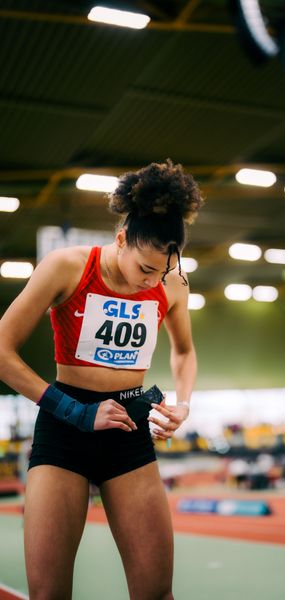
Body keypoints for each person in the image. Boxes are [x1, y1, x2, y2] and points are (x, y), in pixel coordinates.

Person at [0, 159, 204, 600]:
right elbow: (1, 352)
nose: (153, 282)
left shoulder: (173, 284)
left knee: (155, 592)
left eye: (164, 272)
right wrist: (75, 411)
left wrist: (183, 402)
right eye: (145, 270)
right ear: (120, 240)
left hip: (129, 429)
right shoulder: (66, 267)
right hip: (65, 425)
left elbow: (184, 352)